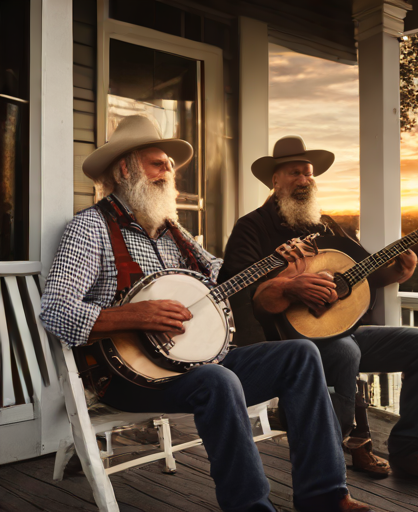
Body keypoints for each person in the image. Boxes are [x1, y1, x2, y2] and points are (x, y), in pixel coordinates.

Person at [40, 116, 375, 512]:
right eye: (157, 164)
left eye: (169, 165)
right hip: (127, 375)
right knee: (217, 379)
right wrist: (137, 315)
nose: (169, 173)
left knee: (301, 355)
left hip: (193, 361)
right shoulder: (89, 229)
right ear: (125, 169)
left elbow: (227, 277)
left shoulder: (176, 233)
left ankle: (325, 495)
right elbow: (56, 311)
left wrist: (277, 270)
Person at [219, 135, 418, 479]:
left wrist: (403, 265)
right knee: (344, 352)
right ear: (275, 180)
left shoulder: (326, 224)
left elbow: (361, 273)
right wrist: (289, 287)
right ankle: (329, 465)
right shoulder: (252, 227)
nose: (304, 180)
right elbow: (238, 291)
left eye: (308, 174)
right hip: (284, 342)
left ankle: (412, 449)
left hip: (340, 329)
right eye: (294, 173)